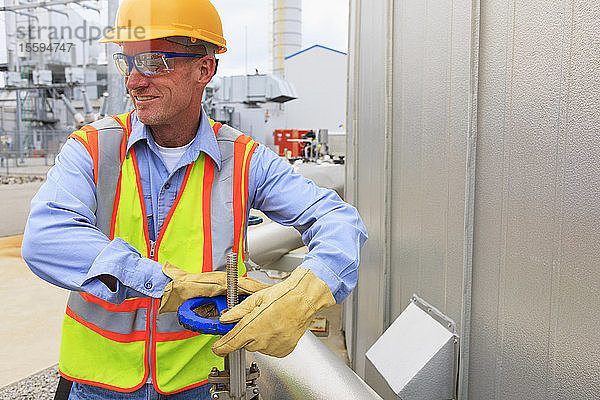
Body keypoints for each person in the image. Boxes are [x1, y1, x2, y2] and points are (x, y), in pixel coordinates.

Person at [21, 0, 367, 399]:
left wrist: (308, 291)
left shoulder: (242, 159)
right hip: (98, 386)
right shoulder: (93, 149)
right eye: (128, 62)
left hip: (199, 386)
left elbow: (338, 218)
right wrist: (166, 284)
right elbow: (45, 238)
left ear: (204, 69)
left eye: (154, 62)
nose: (134, 81)